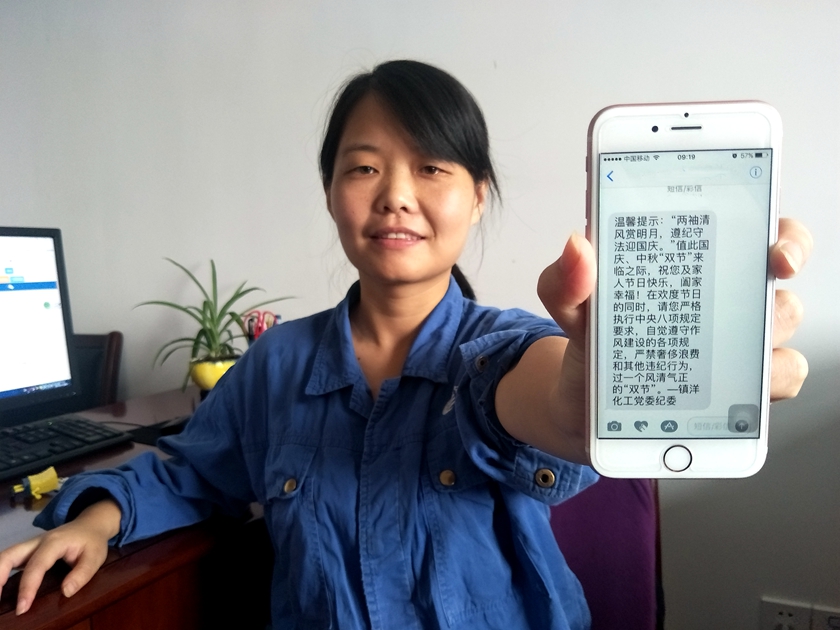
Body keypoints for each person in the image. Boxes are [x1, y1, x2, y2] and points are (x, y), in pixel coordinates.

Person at [0, 60, 811, 629]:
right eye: (363, 168)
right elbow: (191, 471)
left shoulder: (504, 344)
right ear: (330, 191)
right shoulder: (277, 364)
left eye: (431, 168)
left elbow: (534, 395)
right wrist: (97, 521)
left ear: (476, 196)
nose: (395, 195)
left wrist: (589, 388)